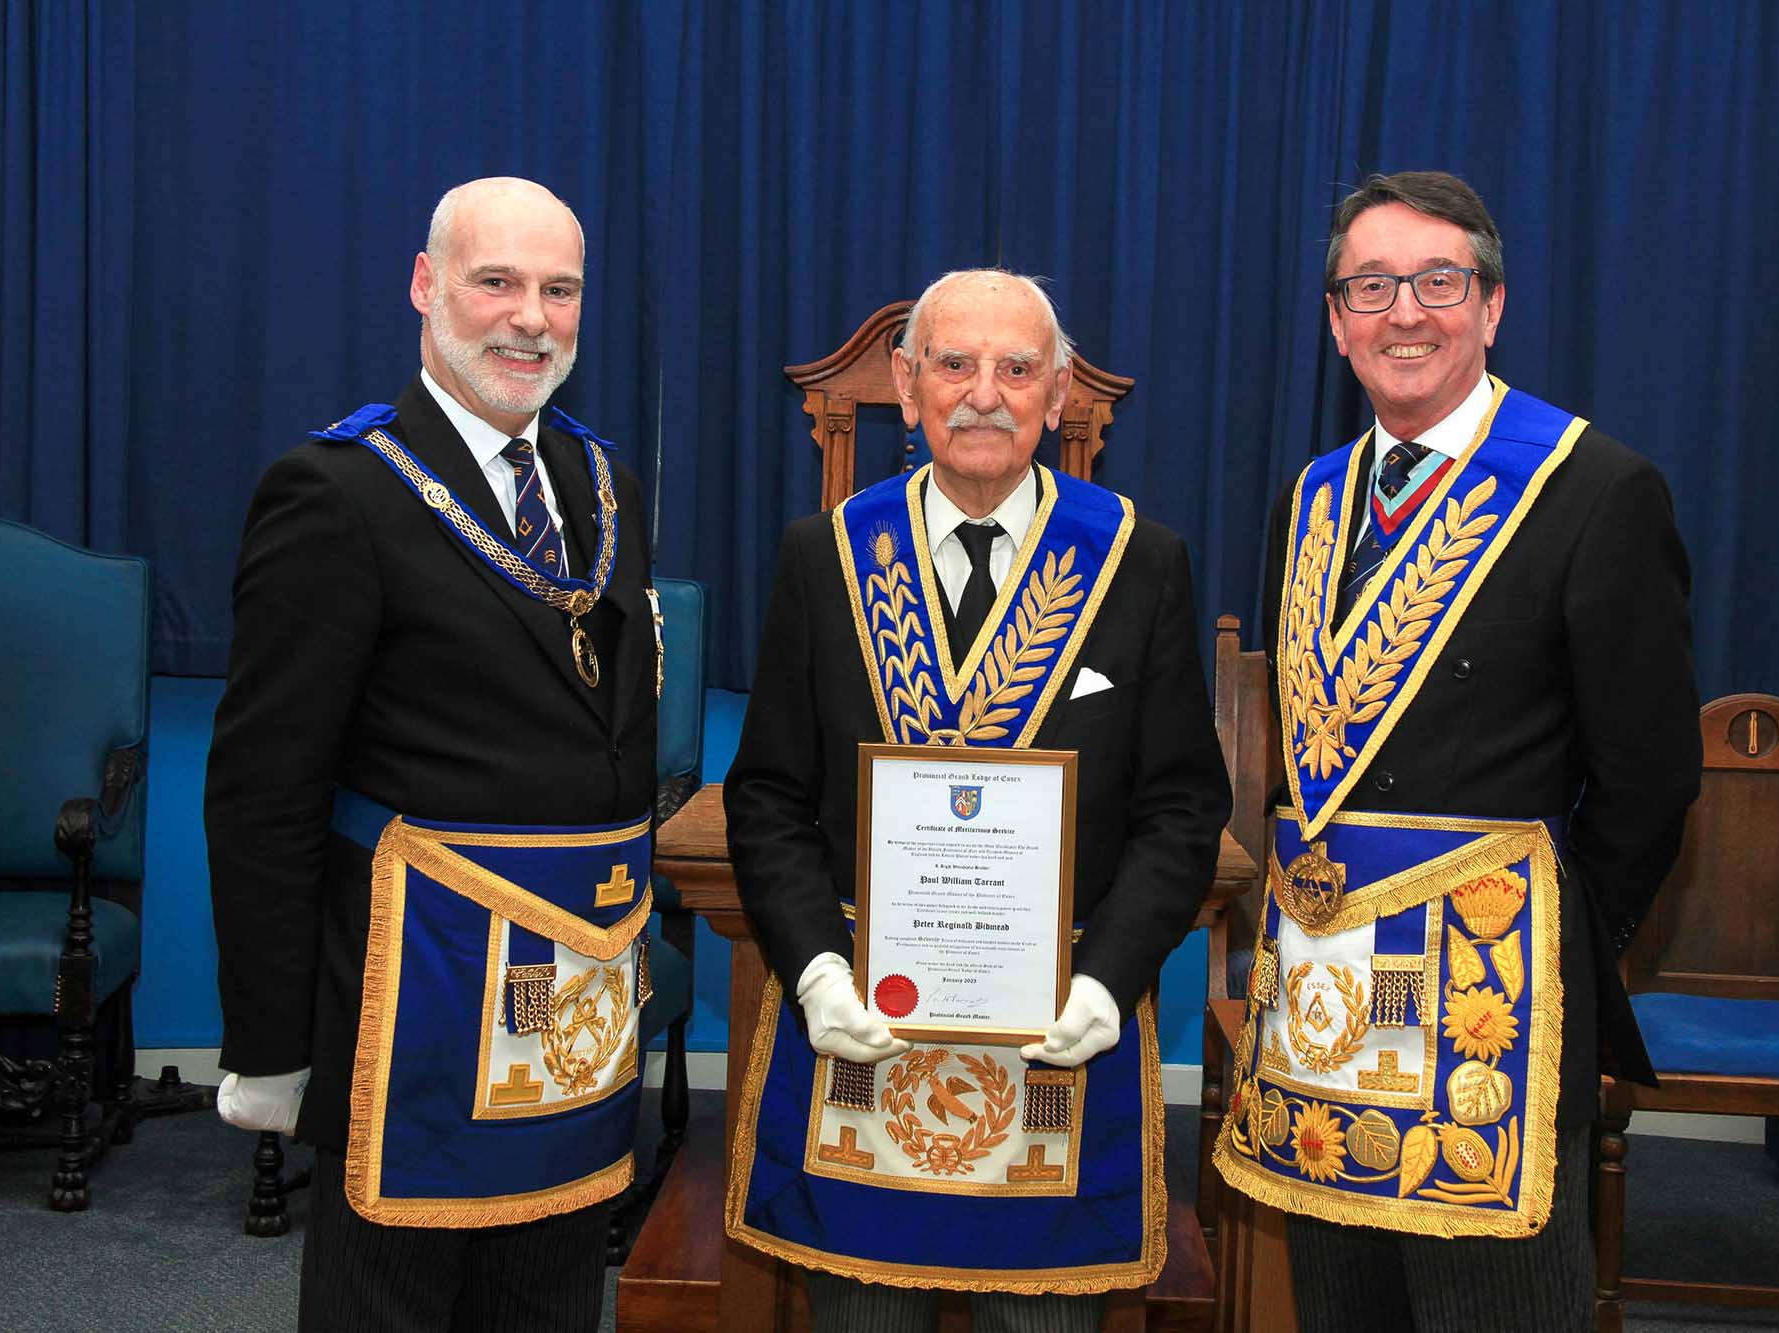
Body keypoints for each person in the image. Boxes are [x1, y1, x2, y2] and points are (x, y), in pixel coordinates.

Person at [1212, 171, 1701, 1331]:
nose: (1403, 313)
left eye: (1437, 281)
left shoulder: (1594, 489)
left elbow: (1646, 779)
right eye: (1369, 287)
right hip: (1332, 1009)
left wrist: (1552, 950)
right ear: (1335, 322)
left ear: (1489, 307)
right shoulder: (1310, 498)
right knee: (1344, 1309)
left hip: (1490, 1016)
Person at [722, 269, 1231, 1332]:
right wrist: (815, 973)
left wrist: (1109, 981)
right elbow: (768, 793)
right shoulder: (824, 556)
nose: (983, 394)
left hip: (1058, 1045)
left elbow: (1183, 806)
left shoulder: (1139, 562)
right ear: (907, 387)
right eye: (954, 365)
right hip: (863, 1033)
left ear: (1056, 395)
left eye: (1015, 368)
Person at [205, 177, 663, 1332]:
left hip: (572, 990)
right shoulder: (336, 493)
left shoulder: (601, 485)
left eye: (559, 291)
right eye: (496, 282)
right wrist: (270, 1044)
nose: (530, 318)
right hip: (409, 1000)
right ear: (426, 287)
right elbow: (264, 789)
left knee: (552, 1293)